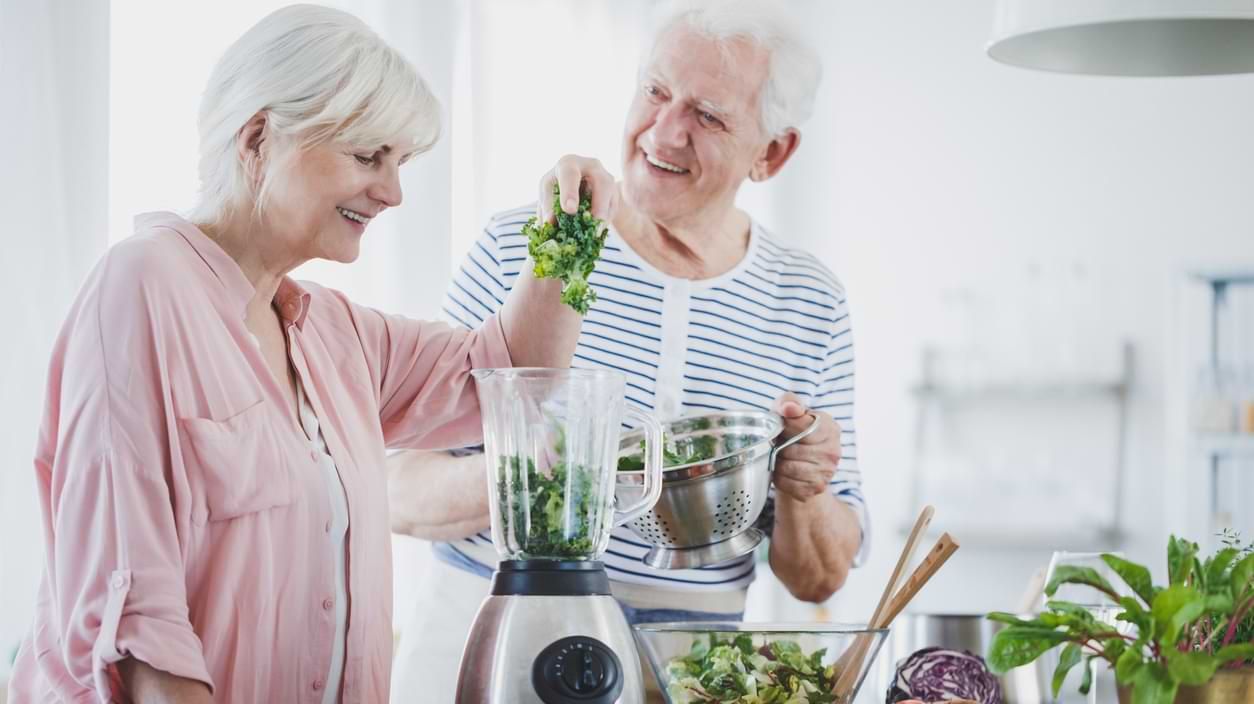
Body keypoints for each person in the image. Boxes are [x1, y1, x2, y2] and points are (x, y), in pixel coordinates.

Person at [6, 5, 581, 703]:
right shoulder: (142, 288)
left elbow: (514, 375)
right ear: (258, 137)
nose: (393, 192)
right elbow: (139, 628)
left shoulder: (335, 334)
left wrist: (571, 231)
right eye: (369, 156)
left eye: (399, 163)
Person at [387, 1, 869, 700]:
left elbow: (821, 575)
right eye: (655, 91)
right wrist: (540, 476)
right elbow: (399, 487)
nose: (665, 131)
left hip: (688, 667)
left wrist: (806, 487)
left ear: (771, 152)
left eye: (707, 115)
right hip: (491, 633)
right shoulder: (537, 242)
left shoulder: (808, 301)